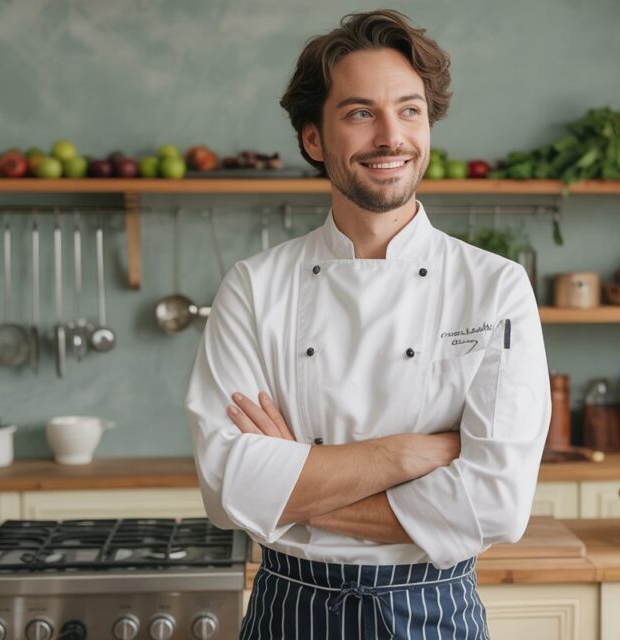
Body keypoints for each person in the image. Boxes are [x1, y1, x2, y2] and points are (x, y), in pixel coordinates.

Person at [185, 9, 550, 639]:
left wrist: (293, 486)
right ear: (313, 140)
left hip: (435, 610)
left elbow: (497, 505)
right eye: (360, 113)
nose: (391, 137)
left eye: (409, 110)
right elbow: (228, 490)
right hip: (290, 609)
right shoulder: (255, 286)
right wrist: (415, 452)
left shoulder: (495, 288)